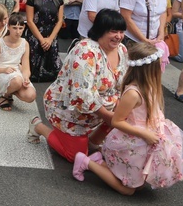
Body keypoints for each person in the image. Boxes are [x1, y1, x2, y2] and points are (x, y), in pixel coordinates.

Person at [72, 43, 183, 194]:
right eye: (159, 66)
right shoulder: (133, 93)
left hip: (143, 141)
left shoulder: (151, 86)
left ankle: (101, 162)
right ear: (148, 70)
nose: (162, 69)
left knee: (137, 184)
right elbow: (116, 121)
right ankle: (87, 162)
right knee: (128, 190)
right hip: (133, 141)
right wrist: (145, 134)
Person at [28, 10, 129, 161]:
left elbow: (125, 83)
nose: (119, 36)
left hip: (103, 110)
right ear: (100, 30)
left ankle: (92, 142)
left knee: (129, 115)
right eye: (113, 31)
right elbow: (82, 94)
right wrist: (109, 117)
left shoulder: (122, 50)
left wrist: (120, 108)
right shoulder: (86, 51)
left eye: (121, 32)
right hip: (71, 110)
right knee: (75, 156)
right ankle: (38, 126)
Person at [0, 12, 36, 111]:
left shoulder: (25, 43)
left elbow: (26, 68)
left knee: (31, 95)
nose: (18, 31)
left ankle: (10, 91)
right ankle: (3, 95)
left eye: (20, 28)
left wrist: (26, 78)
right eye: (14, 28)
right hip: (0, 72)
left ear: (24, 28)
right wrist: (4, 69)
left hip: (16, 72)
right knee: (17, 81)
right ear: (8, 27)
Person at [25, 0, 64, 82]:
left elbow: (60, 20)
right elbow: (30, 21)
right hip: (36, 34)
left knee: (53, 69)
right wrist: (42, 39)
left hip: (52, 33)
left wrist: (51, 38)